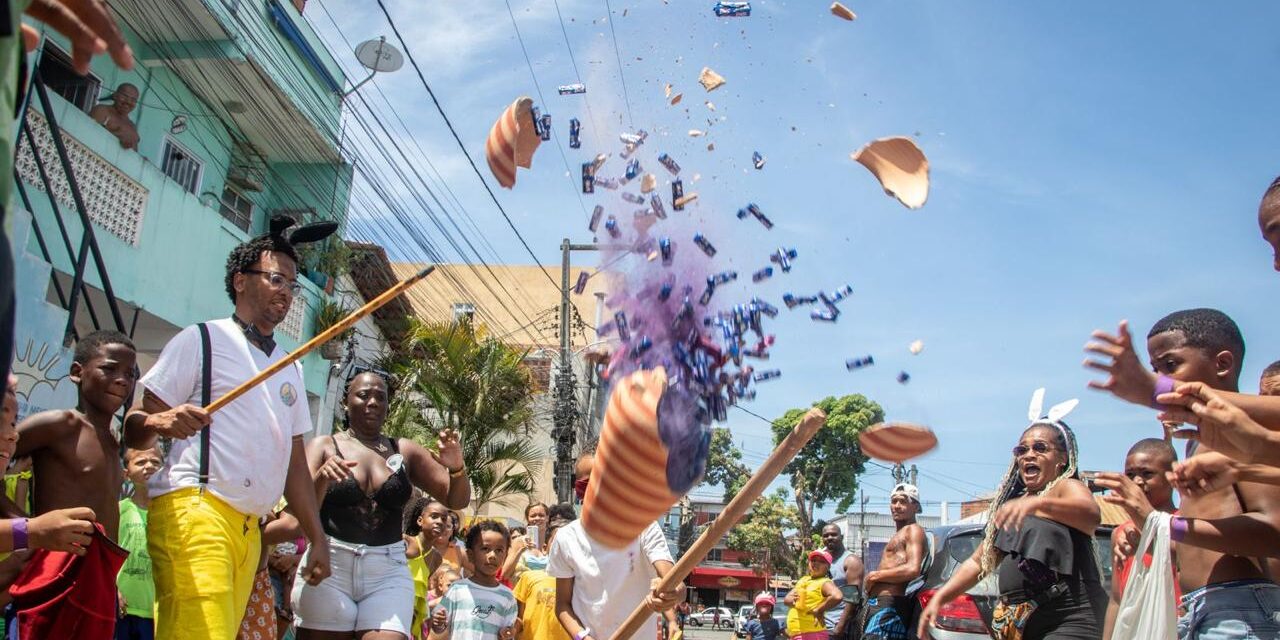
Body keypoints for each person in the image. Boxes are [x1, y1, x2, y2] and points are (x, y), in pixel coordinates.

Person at [125, 225, 333, 640]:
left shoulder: (289, 367)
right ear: (241, 281)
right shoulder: (202, 339)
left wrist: (317, 536)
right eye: (276, 278)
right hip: (197, 511)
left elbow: (295, 467)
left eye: (293, 285)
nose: (287, 292)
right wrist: (159, 422)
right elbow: (134, 425)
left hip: (249, 532)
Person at [1085, 309, 1280, 638]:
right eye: (1155, 369)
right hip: (1204, 608)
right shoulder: (1202, 442)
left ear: (1222, 364)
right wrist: (1155, 539)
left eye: (1170, 366)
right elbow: (1207, 546)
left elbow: (1272, 532)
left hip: (1240, 610)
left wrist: (1162, 524)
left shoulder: (1239, 433)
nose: (1161, 377)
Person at [292, 369, 469, 640]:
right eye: (363, 395)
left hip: (386, 571)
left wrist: (457, 467)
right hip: (330, 563)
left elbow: (456, 499)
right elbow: (298, 508)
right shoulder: (323, 446)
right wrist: (322, 479)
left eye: (380, 397)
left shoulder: (403, 450)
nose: (372, 402)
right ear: (346, 401)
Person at [918, 395, 1104, 640]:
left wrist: (1039, 504)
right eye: (1022, 449)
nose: (1028, 455)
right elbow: (978, 562)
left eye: (1040, 448)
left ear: (1062, 460)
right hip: (1025, 623)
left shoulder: (1065, 487)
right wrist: (942, 597)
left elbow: (1090, 515)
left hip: (1070, 617)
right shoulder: (1014, 505)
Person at [15, 330, 135, 540]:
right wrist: (26, 529)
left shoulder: (112, 441)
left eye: (130, 374)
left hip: (99, 565)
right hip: (58, 563)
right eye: (109, 368)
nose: (122, 380)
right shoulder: (59, 425)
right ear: (77, 373)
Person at [1095, 438, 1179, 640]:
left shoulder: (1183, 526)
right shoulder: (1121, 533)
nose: (1138, 482)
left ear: (1173, 477)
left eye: (1147, 474)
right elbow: (1116, 600)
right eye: (1130, 475)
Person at [548, 517, 683, 640]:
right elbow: (562, 605)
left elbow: (675, 583)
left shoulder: (645, 527)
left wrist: (674, 594)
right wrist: (582, 637)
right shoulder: (566, 537)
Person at [428, 520, 518, 640]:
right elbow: (439, 628)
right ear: (470, 554)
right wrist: (438, 623)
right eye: (485, 548)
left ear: (505, 556)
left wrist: (507, 634)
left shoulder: (508, 596)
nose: (492, 555)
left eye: (499, 550)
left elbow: (508, 632)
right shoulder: (457, 589)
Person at [857, 484, 925, 640]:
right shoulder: (900, 533)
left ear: (915, 506)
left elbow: (913, 569)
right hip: (879, 604)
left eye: (902, 501)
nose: (897, 506)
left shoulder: (913, 530)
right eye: (894, 501)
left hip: (890, 605)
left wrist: (875, 576)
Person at [116, 445, 162, 640]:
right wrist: (114, 590)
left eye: (156, 462)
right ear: (126, 474)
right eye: (141, 462)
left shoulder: (171, 515)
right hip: (122, 609)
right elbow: (105, 557)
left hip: (155, 611)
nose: (149, 466)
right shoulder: (118, 511)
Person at [513, 515, 572, 640]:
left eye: (572, 542)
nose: (565, 546)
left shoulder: (580, 582)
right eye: (557, 541)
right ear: (544, 548)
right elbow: (519, 617)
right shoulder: (529, 577)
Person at [785, 549, 842, 640]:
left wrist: (819, 609)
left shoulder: (824, 582)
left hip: (812, 634)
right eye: (813, 560)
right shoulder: (803, 579)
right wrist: (794, 600)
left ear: (828, 567)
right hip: (797, 634)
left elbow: (837, 596)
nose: (816, 563)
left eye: (821, 561)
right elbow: (786, 600)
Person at [816, 523, 862, 636]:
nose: (829, 538)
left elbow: (853, 597)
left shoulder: (851, 560)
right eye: (826, 535)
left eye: (833, 534)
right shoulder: (819, 561)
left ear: (841, 537)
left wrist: (840, 627)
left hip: (838, 626)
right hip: (819, 625)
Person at [505, 503, 550, 588]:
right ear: (527, 519)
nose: (537, 518)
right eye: (533, 516)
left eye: (541, 515)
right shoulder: (518, 542)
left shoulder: (551, 543)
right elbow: (505, 574)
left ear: (547, 518)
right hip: (523, 596)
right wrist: (520, 551)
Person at [88, 82, 139, 150]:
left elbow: (133, 152)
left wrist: (141, 159)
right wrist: (118, 138)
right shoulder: (101, 110)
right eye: (125, 96)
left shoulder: (132, 126)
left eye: (133, 100)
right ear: (115, 95)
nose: (128, 102)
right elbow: (90, 133)